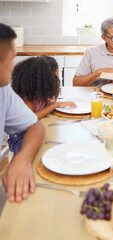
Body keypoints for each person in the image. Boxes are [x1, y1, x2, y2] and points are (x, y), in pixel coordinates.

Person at [0, 23, 45, 202]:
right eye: (11, 59)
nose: (13, 66)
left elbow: (35, 126)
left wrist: (23, 159)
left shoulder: (3, 91)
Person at [11, 55, 76, 120]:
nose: (58, 78)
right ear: (45, 79)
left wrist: (49, 103)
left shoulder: (40, 92)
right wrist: (56, 104)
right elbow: (31, 118)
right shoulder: (27, 98)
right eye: (57, 74)